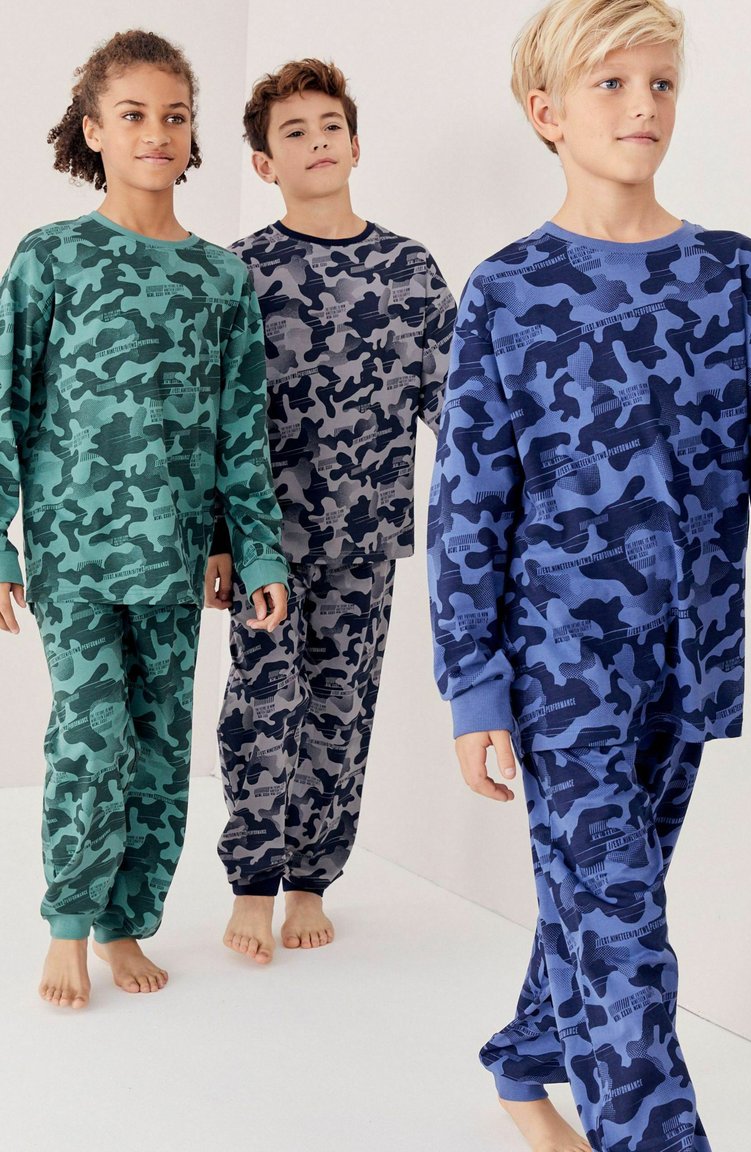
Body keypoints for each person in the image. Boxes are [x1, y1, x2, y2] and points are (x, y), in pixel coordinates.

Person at [428, 1, 751, 1148]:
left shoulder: (734, 275)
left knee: (601, 908)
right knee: (624, 937)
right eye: (610, 83)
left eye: (660, 83)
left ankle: (519, 1065)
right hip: (559, 670)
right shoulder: (507, 291)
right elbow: (467, 501)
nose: (642, 106)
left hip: (689, 663)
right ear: (544, 111)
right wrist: (473, 686)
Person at [0, 29, 288, 1010]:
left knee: (161, 750)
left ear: (194, 134)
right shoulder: (50, 258)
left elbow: (240, 429)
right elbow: (6, 399)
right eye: (133, 114)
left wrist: (251, 548)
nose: (157, 132)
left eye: (175, 116)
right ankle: (67, 925)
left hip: (175, 557)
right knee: (92, 738)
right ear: (94, 129)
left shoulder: (220, 279)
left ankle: (126, 921)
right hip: (74, 554)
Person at [206, 59, 456, 963]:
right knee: (262, 705)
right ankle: (251, 881)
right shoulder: (239, 272)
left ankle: (311, 877)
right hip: (265, 541)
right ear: (264, 163)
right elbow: (215, 421)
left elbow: (457, 407)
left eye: (330, 127)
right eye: (294, 132)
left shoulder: (409, 269)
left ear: (355, 144)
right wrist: (220, 540)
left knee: (342, 710)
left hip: (366, 537)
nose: (317, 142)